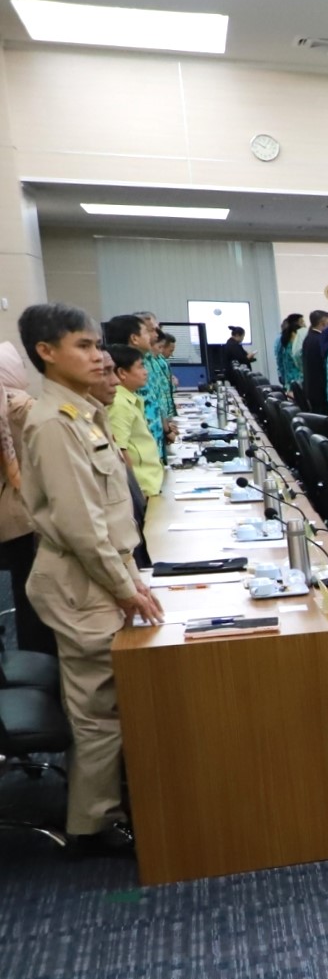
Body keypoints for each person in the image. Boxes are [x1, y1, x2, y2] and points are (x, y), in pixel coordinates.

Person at [17, 303, 163, 855]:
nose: (99, 357)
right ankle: (93, 826)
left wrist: (129, 578)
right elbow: (82, 527)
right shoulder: (55, 423)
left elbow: (107, 516)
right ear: (46, 352)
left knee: (112, 699)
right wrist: (125, 588)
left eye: (98, 345)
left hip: (100, 571)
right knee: (100, 709)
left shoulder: (82, 412)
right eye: (84, 346)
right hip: (81, 581)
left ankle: (108, 805)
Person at [0, 341, 52, 654]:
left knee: (23, 587)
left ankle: (30, 652)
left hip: (10, 509)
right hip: (21, 509)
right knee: (32, 589)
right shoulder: (20, 406)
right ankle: (39, 654)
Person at [104, 345, 163, 501]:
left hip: (151, 482)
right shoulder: (119, 404)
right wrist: (135, 490)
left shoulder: (130, 399)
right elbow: (121, 450)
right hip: (142, 487)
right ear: (122, 373)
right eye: (140, 366)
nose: (146, 372)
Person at [301, 309, 328, 417]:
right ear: (323, 324)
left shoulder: (309, 338)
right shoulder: (319, 340)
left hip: (312, 386)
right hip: (320, 388)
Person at [275, 313, 305, 391]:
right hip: (298, 378)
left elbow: (279, 360)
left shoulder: (283, 339)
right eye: (302, 322)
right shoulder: (295, 340)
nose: (304, 325)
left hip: (288, 378)